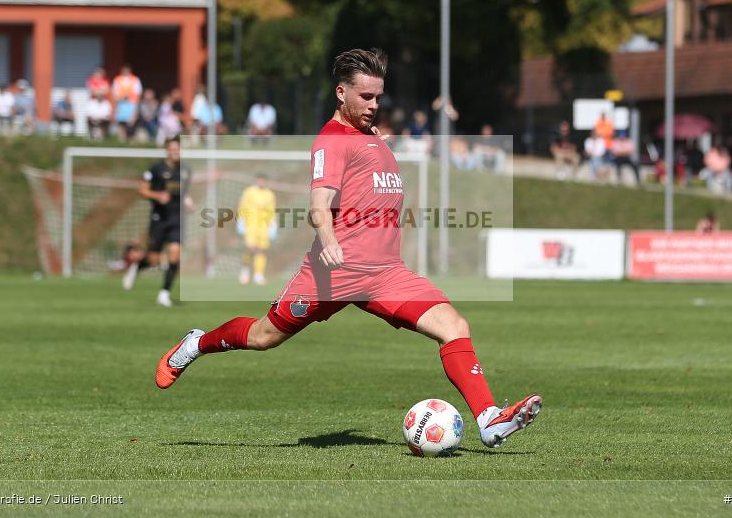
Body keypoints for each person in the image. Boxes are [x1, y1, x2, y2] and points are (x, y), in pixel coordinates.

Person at [155, 48, 542, 450]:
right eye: (366, 98)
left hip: (386, 274)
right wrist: (330, 241)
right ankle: (196, 343)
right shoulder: (331, 141)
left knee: (455, 327)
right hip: (332, 273)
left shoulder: (370, 137)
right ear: (341, 92)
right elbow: (319, 205)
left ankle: (489, 419)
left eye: (378, 97)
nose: (374, 106)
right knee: (263, 336)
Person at [122, 136, 193, 307]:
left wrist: (187, 200)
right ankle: (138, 266)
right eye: (172, 149)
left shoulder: (186, 170)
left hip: (177, 218)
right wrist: (158, 196)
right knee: (153, 258)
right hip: (160, 218)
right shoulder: (156, 169)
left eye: (178, 149)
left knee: (175, 253)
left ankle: (164, 294)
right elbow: (142, 190)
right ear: (167, 150)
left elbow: (183, 193)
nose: (175, 152)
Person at [237, 174, 277, 285]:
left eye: (263, 181)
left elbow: (272, 210)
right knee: (250, 248)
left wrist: (273, 224)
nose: (261, 183)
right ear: (256, 181)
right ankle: (245, 270)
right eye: (259, 180)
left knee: (261, 250)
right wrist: (241, 220)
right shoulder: (249, 192)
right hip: (251, 224)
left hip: (264, 225)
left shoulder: (270, 194)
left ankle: (258, 275)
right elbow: (242, 206)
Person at [112, 65, 143, 141]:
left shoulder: (135, 79)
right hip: (121, 104)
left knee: (131, 123)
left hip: (132, 104)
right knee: (121, 123)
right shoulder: (117, 79)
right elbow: (114, 93)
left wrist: (137, 108)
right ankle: (122, 140)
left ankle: (131, 139)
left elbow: (138, 93)